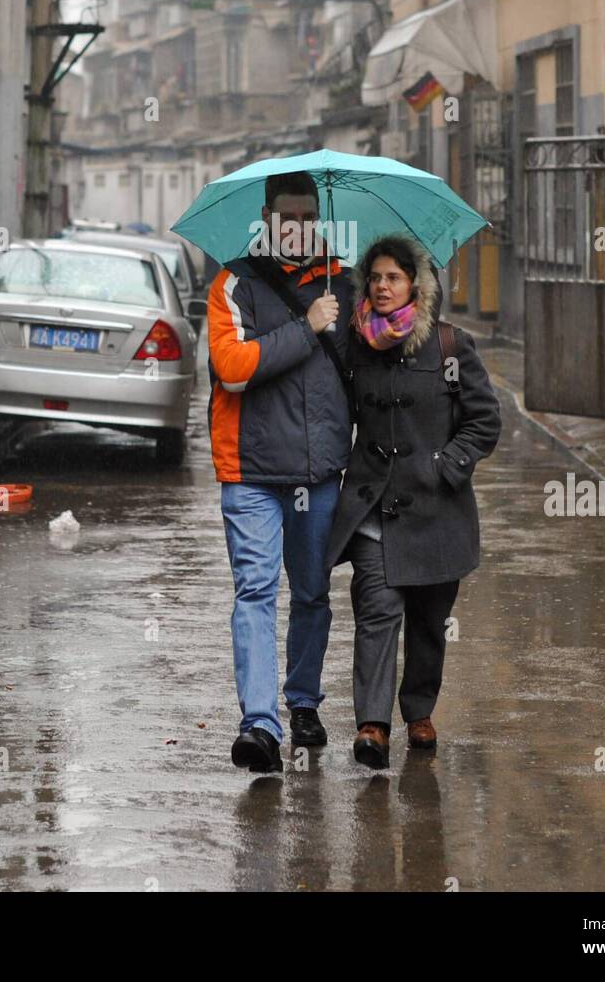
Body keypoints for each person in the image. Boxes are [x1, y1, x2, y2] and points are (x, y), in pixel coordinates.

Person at [325, 235, 501, 769]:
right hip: (375, 508)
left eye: (393, 278)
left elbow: (484, 420)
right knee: (377, 611)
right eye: (374, 277)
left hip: (438, 510)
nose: (381, 286)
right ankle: (372, 726)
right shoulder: (352, 345)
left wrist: (446, 466)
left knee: (428, 620)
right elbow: (332, 411)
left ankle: (418, 710)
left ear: (414, 286)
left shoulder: (450, 346)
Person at [206, 171, 354, 774]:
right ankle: (260, 725)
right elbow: (232, 368)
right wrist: (307, 325)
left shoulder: (342, 282)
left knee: (313, 594)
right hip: (251, 471)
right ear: (266, 219)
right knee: (257, 592)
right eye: (285, 218)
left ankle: (303, 701)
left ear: (318, 220)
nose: (296, 228)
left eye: (306, 218)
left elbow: (375, 360)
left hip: (318, 472)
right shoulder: (234, 283)